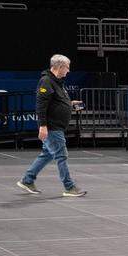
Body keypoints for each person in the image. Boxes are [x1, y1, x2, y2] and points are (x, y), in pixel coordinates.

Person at [16, 54, 86, 197]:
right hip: (53, 127)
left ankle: (27, 180)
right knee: (61, 155)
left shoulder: (57, 82)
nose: (68, 70)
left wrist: (70, 104)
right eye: (67, 67)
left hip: (56, 126)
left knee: (47, 154)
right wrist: (42, 126)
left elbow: (56, 102)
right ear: (59, 67)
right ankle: (69, 187)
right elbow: (41, 105)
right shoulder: (46, 81)